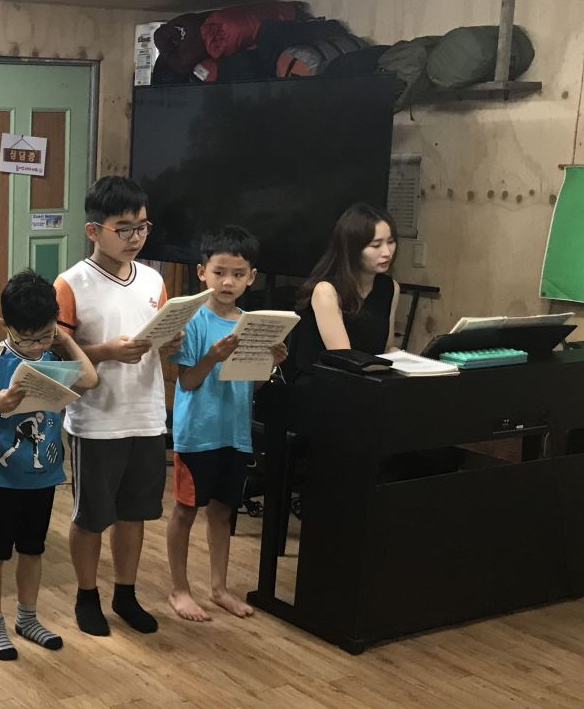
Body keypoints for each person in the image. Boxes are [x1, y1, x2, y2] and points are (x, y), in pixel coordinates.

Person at [54, 175, 182, 637]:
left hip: (146, 414)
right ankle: (86, 596)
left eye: (142, 227)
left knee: (135, 514)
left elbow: (161, 342)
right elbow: (57, 357)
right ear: (94, 230)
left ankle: (125, 594)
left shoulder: (153, 280)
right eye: (123, 228)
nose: (135, 238)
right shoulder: (71, 284)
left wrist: (171, 343)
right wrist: (106, 352)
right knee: (92, 517)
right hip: (96, 419)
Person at [0, 270, 97, 660]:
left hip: (43, 474)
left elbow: (90, 380)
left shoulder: (55, 357)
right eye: (27, 339)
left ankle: (27, 618)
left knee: (33, 549)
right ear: (5, 325)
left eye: (44, 335)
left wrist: (64, 339)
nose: (37, 346)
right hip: (1, 477)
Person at [166, 226, 287, 622]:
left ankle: (218, 589)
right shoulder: (194, 320)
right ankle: (179, 589)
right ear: (202, 272)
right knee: (185, 511)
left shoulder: (251, 323)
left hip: (234, 434)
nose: (227, 282)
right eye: (219, 272)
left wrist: (270, 364)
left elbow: (250, 383)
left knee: (223, 512)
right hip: (197, 434)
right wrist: (212, 357)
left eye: (237, 274)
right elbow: (187, 381)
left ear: (251, 277)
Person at [293, 202, 400, 376]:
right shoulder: (326, 290)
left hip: (369, 378)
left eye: (391, 242)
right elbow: (344, 358)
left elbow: (387, 348)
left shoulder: (390, 287)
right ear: (353, 248)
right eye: (376, 245)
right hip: (325, 381)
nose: (387, 252)